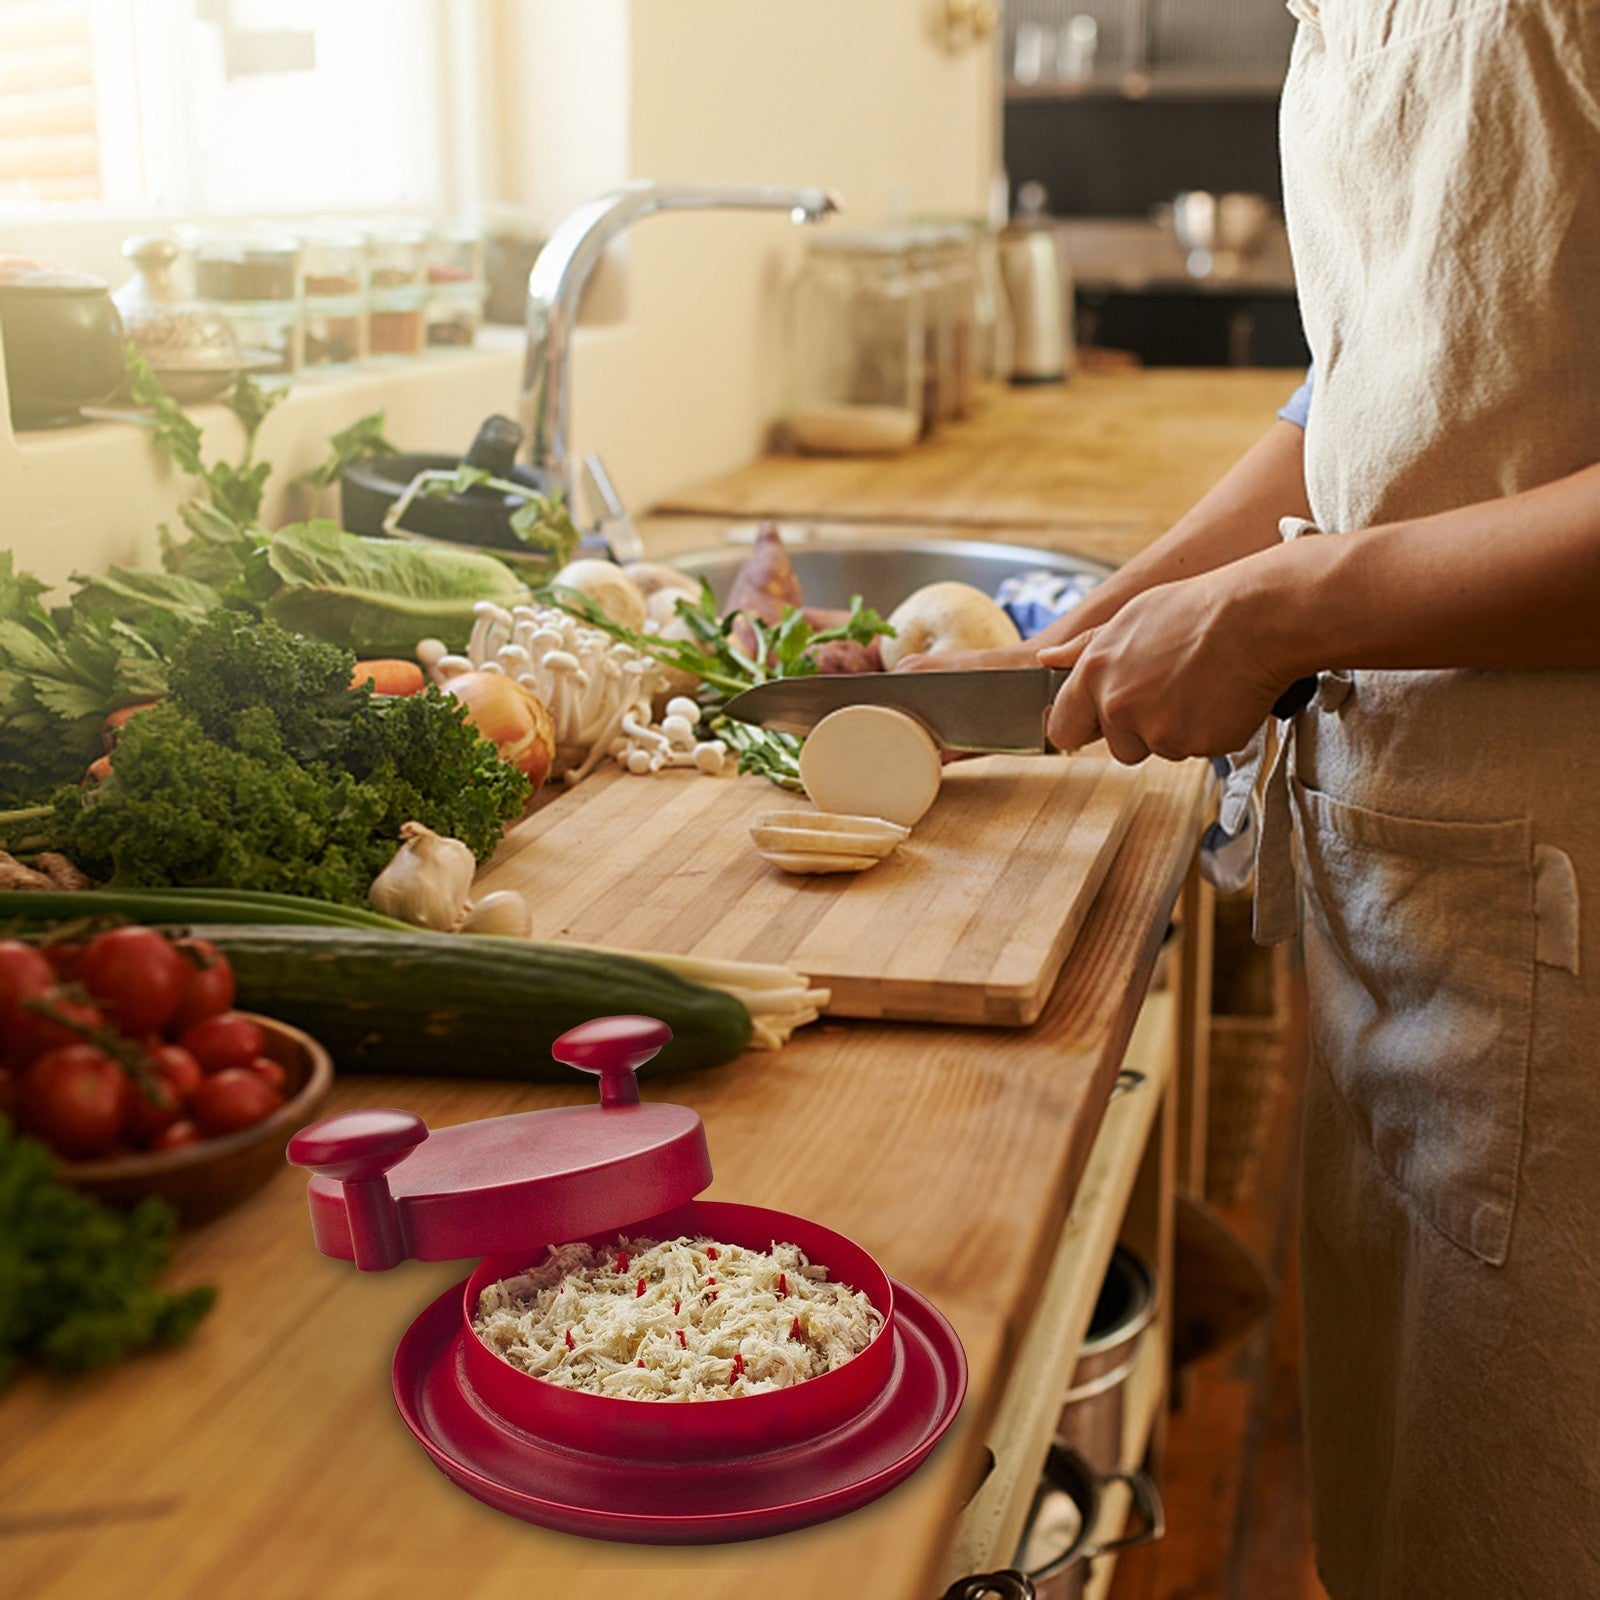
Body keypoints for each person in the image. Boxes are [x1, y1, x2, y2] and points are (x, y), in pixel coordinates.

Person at [908, 4, 1600, 1594]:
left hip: (1571, 900)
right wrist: (1112, 617)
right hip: (1422, 896)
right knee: (1416, 1508)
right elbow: (1378, 371)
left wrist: (1286, 612)